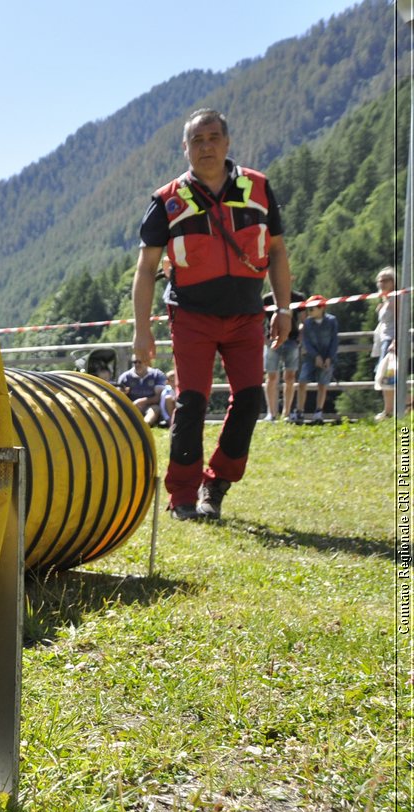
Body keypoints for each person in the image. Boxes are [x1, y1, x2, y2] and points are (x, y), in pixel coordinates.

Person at [131, 108, 292, 521]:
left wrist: (284, 306)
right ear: (185, 148)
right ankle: (182, 496)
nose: (206, 146)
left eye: (213, 137)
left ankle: (216, 483)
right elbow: (146, 269)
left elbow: (275, 251)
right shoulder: (166, 201)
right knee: (190, 401)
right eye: (197, 140)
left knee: (252, 398)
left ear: (227, 142)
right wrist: (142, 332)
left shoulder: (258, 188)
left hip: (246, 313)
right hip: (191, 315)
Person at [262, 289, 304, 422]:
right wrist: (265, 339)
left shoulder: (298, 297)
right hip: (272, 341)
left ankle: (286, 413)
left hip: (292, 341)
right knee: (271, 377)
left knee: (290, 377)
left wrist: (300, 337)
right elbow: (260, 321)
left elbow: (304, 320)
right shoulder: (267, 298)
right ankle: (271, 413)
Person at [296, 294, 339, 424]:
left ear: (321, 308)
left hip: (327, 357)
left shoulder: (332, 321)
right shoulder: (308, 323)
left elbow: (334, 340)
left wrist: (329, 358)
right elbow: (307, 342)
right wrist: (316, 356)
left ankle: (318, 411)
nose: (309, 312)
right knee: (302, 381)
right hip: (310, 357)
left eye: (312, 309)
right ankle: (299, 411)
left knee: (322, 384)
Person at [115, 351, 170, 426]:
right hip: (132, 406)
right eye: (135, 362)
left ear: (146, 362)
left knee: (155, 409)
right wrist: (123, 394)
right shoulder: (125, 377)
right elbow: (118, 398)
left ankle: (144, 425)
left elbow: (158, 397)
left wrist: (142, 401)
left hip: (151, 406)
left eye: (139, 362)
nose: (137, 364)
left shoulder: (157, 375)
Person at [373, 267, 399, 421]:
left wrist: (395, 340)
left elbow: (399, 320)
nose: (381, 283)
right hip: (383, 340)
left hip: (391, 340)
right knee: (385, 375)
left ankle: (390, 410)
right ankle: (391, 409)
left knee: (387, 376)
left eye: (385, 280)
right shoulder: (386, 299)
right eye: (379, 280)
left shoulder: (395, 298)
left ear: (393, 281)